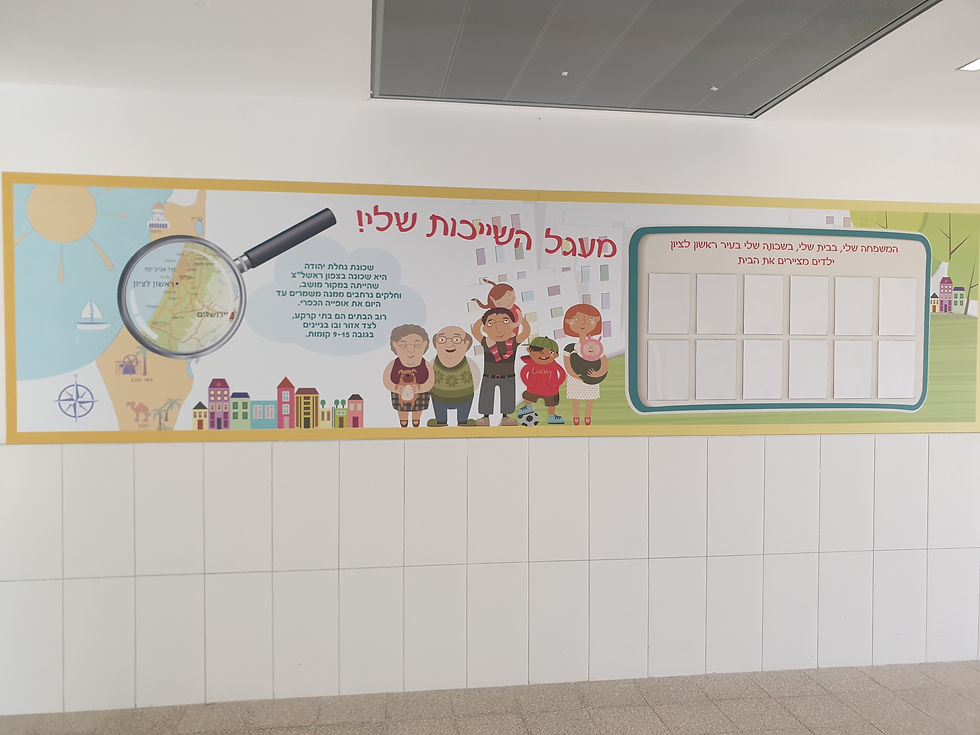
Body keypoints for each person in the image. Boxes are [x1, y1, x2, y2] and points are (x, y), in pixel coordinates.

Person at [471, 307, 530, 426]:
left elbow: (526, 332)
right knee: (486, 397)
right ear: (485, 328)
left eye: (505, 321)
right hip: (489, 376)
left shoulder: (513, 342)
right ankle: (485, 418)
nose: (498, 328)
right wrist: (484, 318)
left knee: (508, 397)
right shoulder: (487, 342)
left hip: (508, 376)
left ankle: (505, 418)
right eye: (491, 323)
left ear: (512, 325)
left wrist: (521, 320)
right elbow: (475, 330)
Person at [562, 303, 608, 426]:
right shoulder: (570, 347)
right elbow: (567, 364)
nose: (582, 323)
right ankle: (576, 418)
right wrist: (574, 375)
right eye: (575, 319)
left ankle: (588, 418)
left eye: (590, 319)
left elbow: (604, 361)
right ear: (568, 322)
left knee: (590, 399)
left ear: (596, 321)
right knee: (575, 399)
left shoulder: (595, 346)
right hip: (575, 378)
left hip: (591, 377)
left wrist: (598, 373)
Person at [381, 324, 434, 427]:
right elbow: (386, 380)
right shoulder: (393, 364)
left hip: (420, 393)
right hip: (399, 393)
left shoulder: (426, 365)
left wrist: (421, 388)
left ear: (424, 345)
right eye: (403, 345)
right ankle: (403, 421)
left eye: (417, 344)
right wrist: (395, 388)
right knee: (402, 409)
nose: (410, 349)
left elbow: (430, 381)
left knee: (418, 409)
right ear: (395, 345)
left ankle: (416, 420)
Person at [427, 325, 480, 426]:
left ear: (466, 344)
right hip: (438, 397)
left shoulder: (469, 363)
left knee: (464, 408)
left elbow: (476, 377)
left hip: (465, 397)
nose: (449, 344)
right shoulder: (433, 363)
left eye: (456, 339)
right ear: (435, 344)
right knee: (439, 407)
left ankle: (463, 420)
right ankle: (441, 420)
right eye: (442, 339)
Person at [516, 336, 567, 424]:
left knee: (551, 403)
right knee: (528, 397)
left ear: (556, 355)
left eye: (550, 352)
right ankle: (528, 407)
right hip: (533, 388)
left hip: (550, 390)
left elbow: (562, 374)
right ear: (529, 350)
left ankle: (552, 417)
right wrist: (528, 383)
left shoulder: (554, 365)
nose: (544, 355)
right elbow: (523, 372)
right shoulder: (531, 364)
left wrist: (556, 384)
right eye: (539, 351)